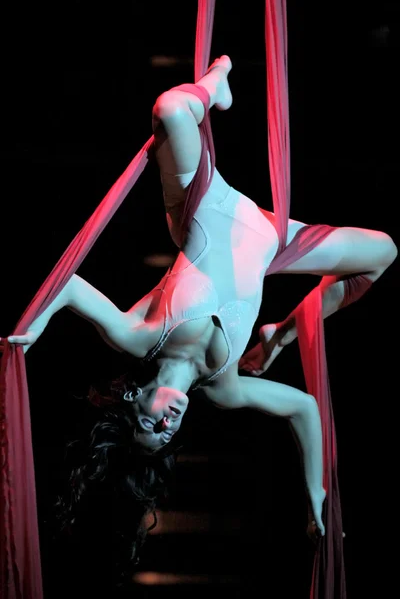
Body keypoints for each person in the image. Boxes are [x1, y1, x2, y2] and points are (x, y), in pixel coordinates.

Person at [4, 55, 397, 584]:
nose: (166, 423)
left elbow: (70, 286)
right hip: (272, 240)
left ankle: (216, 84)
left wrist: (33, 331)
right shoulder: (223, 386)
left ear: (134, 398)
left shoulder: (139, 336)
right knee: (384, 253)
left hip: (204, 203)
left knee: (169, 108)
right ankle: (278, 338)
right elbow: (304, 409)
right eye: (166, 435)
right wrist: (315, 495)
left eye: (150, 422)